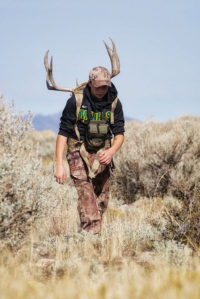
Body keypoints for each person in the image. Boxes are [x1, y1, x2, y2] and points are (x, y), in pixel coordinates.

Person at [54, 66, 125, 234]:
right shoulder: (76, 101)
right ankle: (90, 239)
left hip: (102, 151)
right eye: (98, 86)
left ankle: (95, 232)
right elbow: (63, 132)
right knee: (86, 193)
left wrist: (111, 151)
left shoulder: (114, 101)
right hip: (77, 151)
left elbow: (119, 133)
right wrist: (59, 164)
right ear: (90, 83)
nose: (102, 90)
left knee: (101, 199)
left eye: (105, 86)